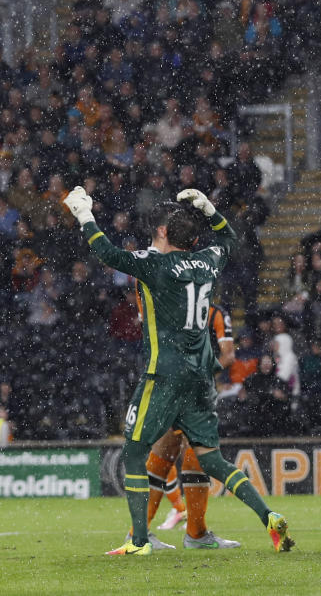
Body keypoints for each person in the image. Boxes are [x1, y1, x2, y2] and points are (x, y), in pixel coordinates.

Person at [62, 186, 293, 555]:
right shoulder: (208, 260)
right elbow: (229, 238)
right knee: (211, 458)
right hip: (200, 377)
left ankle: (139, 540)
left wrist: (84, 216)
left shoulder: (155, 266)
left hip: (165, 373)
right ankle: (268, 516)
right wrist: (212, 210)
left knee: (135, 452)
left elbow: (106, 252)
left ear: (165, 233)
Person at [140, 300, 241, 549]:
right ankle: (192, 533)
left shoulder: (212, 312)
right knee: (187, 449)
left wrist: (200, 374)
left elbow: (228, 355)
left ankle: (143, 533)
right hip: (178, 387)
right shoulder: (178, 306)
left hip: (185, 387)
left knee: (170, 449)